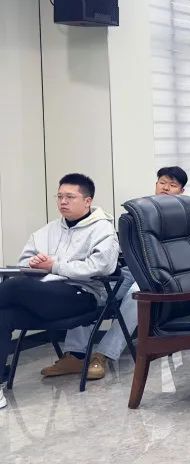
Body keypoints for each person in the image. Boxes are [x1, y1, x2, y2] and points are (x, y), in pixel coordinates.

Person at [43, 166, 188, 382]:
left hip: (163, 274)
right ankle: (75, 355)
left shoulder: (184, 215)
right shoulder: (139, 211)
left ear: (182, 191)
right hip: (131, 268)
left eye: (172, 185)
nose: (165, 188)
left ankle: (103, 354)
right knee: (90, 284)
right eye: (162, 182)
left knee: (137, 294)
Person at [0, 174, 119, 408]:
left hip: (82, 295)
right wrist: (34, 263)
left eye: (70, 197)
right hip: (45, 295)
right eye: (60, 196)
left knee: (14, 285)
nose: (63, 201)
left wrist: (54, 266)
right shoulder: (49, 229)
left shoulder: (103, 230)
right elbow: (24, 261)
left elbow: (102, 266)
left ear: (87, 201)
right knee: (3, 316)